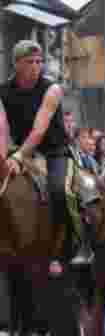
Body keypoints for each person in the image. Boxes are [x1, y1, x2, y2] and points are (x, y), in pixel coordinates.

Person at [0, 40, 76, 273]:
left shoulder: (52, 89)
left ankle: (64, 250)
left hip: (55, 152)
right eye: (30, 62)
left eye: (39, 61)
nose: (36, 66)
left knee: (58, 191)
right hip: (18, 151)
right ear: (16, 64)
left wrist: (19, 157)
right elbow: (1, 128)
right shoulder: (3, 91)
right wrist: (3, 159)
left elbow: (39, 129)